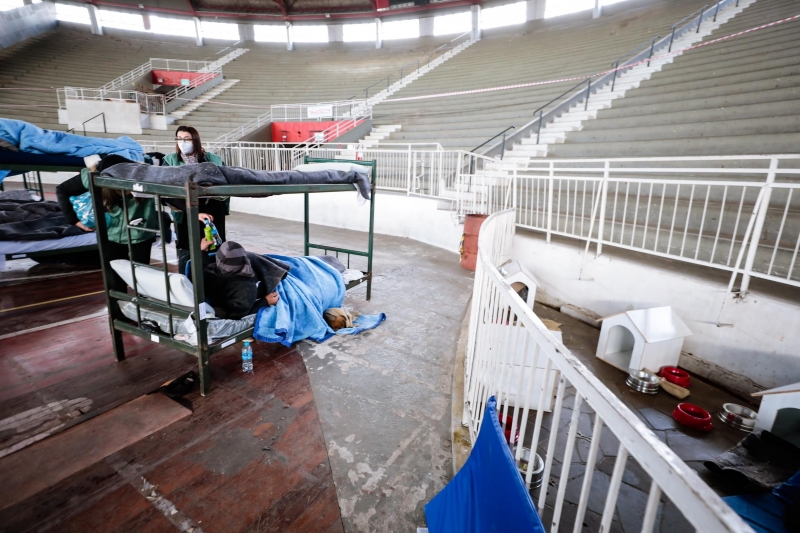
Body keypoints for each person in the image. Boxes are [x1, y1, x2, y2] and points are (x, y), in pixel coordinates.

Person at [56, 161, 159, 291]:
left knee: (143, 279)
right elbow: (62, 190)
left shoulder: (143, 175)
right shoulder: (94, 176)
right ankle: (118, 309)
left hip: (141, 234)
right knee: (115, 281)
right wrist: (75, 221)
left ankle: (145, 306)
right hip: (110, 235)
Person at [162, 126, 228, 275]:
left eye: (186, 139)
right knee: (188, 252)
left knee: (214, 249)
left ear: (195, 140)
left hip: (213, 213)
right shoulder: (170, 161)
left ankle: (212, 287)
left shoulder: (213, 159)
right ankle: (187, 289)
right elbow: (166, 193)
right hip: (186, 213)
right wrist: (193, 211)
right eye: (179, 139)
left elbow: (224, 182)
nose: (182, 142)